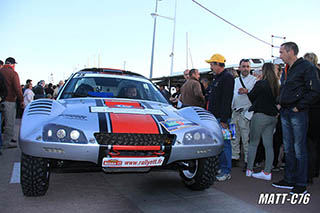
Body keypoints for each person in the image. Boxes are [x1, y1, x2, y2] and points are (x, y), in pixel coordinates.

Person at [272, 42, 320, 194]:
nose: (280, 55)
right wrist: (279, 103)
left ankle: (300, 183)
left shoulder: (307, 67)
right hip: (286, 112)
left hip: (298, 113)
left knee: (299, 149)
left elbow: (315, 91)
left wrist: (299, 106)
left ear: (291, 51)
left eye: (281, 52)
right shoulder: (287, 69)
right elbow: (285, 89)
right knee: (288, 148)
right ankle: (289, 179)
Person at [246, 63, 279, 180]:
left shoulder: (261, 84)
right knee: (268, 145)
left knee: (253, 143)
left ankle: (249, 169)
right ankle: (267, 172)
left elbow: (251, 96)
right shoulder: (277, 85)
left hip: (260, 115)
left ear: (264, 71)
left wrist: (257, 82)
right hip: (272, 117)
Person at [206, 53, 235, 181]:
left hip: (221, 118)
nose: (210, 66)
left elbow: (227, 99)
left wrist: (224, 119)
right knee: (218, 144)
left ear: (218, 64)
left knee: (225, 144)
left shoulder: (227, 78)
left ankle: (226, 170)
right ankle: (221, 167)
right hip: (214, 117)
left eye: (212, 64)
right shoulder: (217, 78)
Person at [231, 59, 257, 171]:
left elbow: (256, 95)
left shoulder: (254, 80)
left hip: (246, 112)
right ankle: (234, 157)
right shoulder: (236, 80)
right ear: (239, 67)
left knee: (246, 138)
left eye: (247, 66)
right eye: (243, 66)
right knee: (234, 136)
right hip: (235, 111)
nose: (245, 68)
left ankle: (248, 160)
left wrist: (247, 91)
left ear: (250, 68)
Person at [0, 57, 24, 149]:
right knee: (9, 123)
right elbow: (17, 88)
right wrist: (21, 100)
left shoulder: (1, 71)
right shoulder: (13, 73)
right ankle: (7, 142)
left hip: (1, 100)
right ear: (12, 64)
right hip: (9, 100)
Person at [303, 52, 320, 183]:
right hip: (317, 113)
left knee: (309, 145)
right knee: (315, 144)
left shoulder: (309, 75)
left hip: (311, 112)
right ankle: (314, 171)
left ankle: (308, 175)